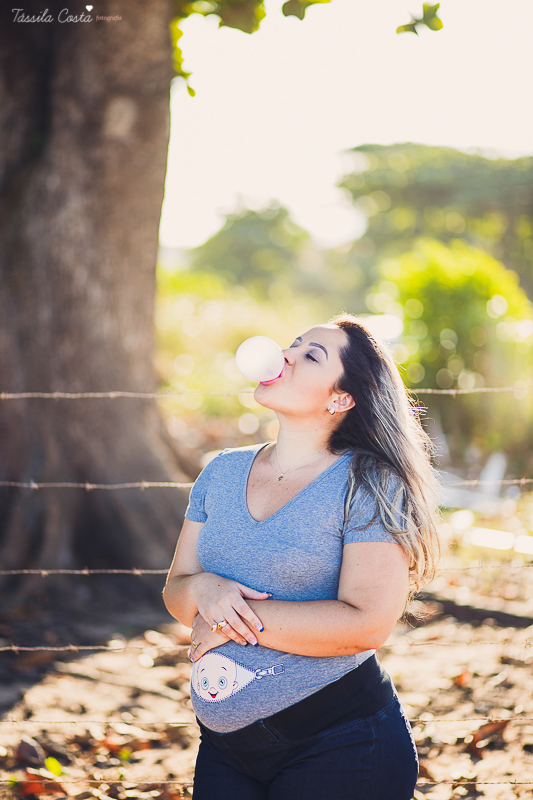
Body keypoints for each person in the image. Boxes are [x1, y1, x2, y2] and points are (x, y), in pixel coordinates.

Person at [163, 312, 443, 800]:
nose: (284, 354)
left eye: (310, 354)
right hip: (225, 751)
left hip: (341, 744)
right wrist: (205, 590)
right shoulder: (221, 472)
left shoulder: (370, 482)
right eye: (292, 344)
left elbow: (367, 625)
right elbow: (177, 590)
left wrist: (228, 620)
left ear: (341, 397)